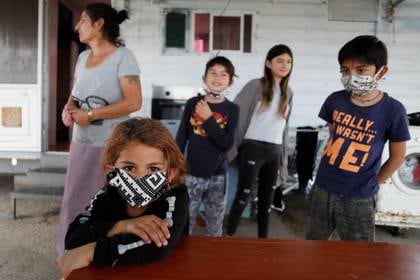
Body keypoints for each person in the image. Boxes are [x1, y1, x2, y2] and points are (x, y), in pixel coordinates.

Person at [306, 35, 411, 242]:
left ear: (382, 72)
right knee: (314, 246)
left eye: (361, 70)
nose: (351, 76)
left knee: (358, 255)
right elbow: (334, 136)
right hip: (323, 187)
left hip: (360, 197)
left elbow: (397, 157)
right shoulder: (335, 100)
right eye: (345, 70)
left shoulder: (393, 110)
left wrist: (374, 183)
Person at [57, 3, 142, 255]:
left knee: (111, 201)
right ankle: (70, 252)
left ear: (99, 23)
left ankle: (106, 255)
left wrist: (91, 114)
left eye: (82, 20)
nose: (77, 26)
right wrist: (67, 109)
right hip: (81, 142)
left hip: (113, 146)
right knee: (75, 200)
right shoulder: (83, 58)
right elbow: (75, 95)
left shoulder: (123, 57)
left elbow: (134, 102)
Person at [58, 118, 189, 279]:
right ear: (111, 172)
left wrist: (91, 251)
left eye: (153, 168)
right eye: (129, 168)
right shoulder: (109, 193)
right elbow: (74, 237)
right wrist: (122, 226)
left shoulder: (175, 195)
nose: (140, 177)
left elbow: (159, 246)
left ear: (170, 174)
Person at [226, 44, 294, 238]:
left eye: (288, 61)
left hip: (274, 151)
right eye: (279, 61)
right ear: (268, 63)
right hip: (253, 147)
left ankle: (263, 243)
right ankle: (229, 236)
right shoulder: (255, 86)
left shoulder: (289, 92)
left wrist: (283, 160)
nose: (284, 65)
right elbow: (236, 114)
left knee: (266, 202)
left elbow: (284, 127)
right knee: (243, 195)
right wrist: (231, 147)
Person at [176, 56, 239, 236]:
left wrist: (209, 118)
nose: (217, 78)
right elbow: (181, 137)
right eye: (213, 73)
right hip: (191, 173)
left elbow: (227, 143)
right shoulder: (193, 104)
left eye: (223, 74)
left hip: (218, 176)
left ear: (230, 81)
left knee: (215, 224)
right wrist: (175, 166)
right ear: (204, 78)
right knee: (185, 220)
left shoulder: (233, 110)